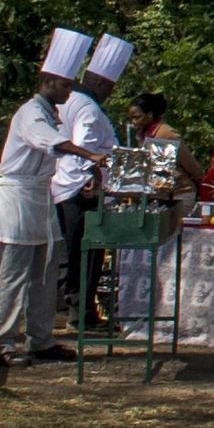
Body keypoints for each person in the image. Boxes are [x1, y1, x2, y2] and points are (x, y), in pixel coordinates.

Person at [0, 33, 86, 364]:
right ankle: (1, 344)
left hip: (39, 198)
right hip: (18, 200)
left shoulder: (48, 111)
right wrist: (88, 155)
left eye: (69, 85)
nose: (68, 92)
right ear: (47, 81)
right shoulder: (31, 113)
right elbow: (50, 142)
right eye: (63, 85)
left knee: (45, 274)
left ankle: (41, 339)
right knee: (14, 275)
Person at [55, 35, 132, 332]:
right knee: (87, 254)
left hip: (63, 187)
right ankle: (81, 314)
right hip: (80, 191)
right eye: (110, 88)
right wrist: (92, 176)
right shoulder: (87, 107)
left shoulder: (68, 101)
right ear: (102, 84)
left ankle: (76, 309)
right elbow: (83, 145)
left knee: (74, 253)